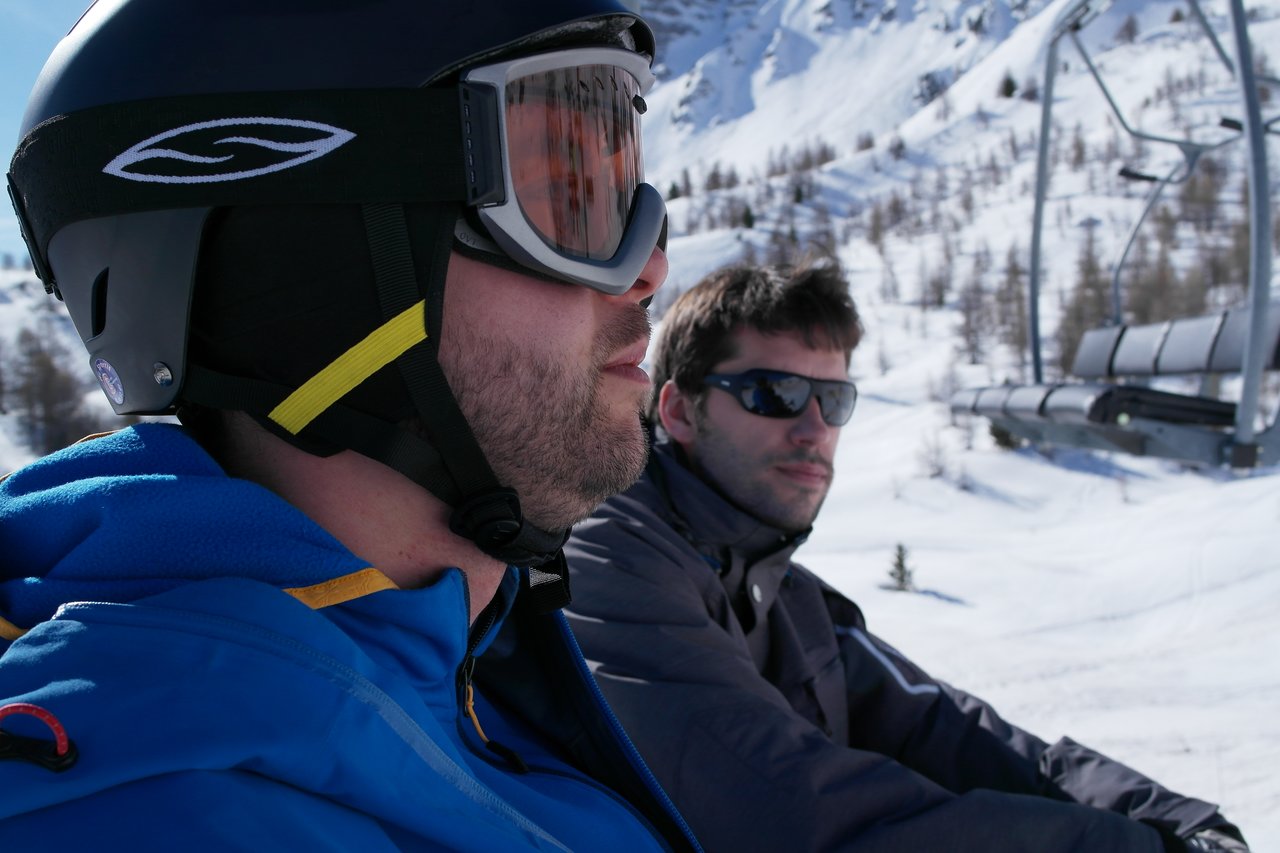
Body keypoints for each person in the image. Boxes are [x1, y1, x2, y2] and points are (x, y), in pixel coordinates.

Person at [0, 1, 700, 849]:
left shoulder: (469, 661)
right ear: (314, 276)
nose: (650, 267)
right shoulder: (154, 807)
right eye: (566, 196)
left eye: (616, 182)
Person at [561, 261, 1250, 852]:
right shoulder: (606, 554)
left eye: (834, 400)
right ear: (679, 411)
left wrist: (1168, 820)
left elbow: (949, 727)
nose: (813, 429)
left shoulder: (785, 593)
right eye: (775, 393)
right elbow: (792, 813)